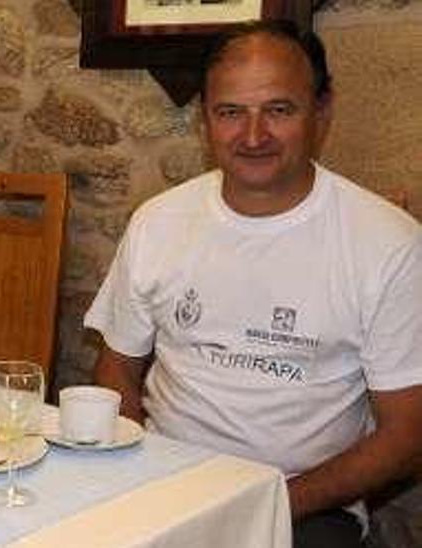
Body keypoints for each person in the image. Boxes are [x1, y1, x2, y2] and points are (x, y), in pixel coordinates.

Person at [84, 21, 422, 547]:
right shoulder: (159, 221)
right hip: (164, 484)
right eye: (230, 112)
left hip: (305, 503)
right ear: (205, 121)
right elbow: (118, 366)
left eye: (279, 110)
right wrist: (133, 471)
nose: (253, 135)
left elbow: (406, 435)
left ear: (322, 112)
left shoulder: (388, 245)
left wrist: (264, 505)